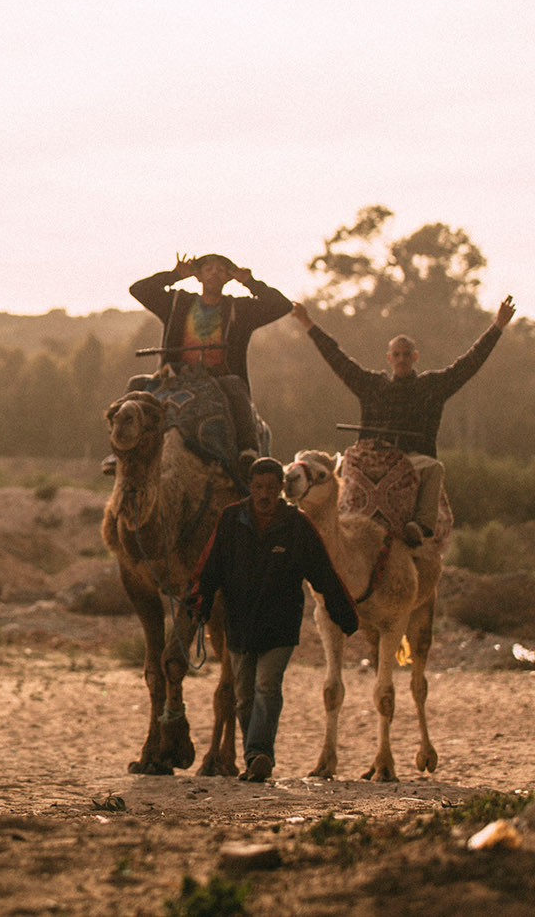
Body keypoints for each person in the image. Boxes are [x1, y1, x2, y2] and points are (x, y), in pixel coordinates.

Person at [290, 296, 516, 547]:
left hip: (411, 461)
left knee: (434, 468)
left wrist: (498, 326)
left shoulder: (431, 387)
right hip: (372, 460)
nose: (401, 359)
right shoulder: (371, 386)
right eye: (396, 354)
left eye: (406, 354)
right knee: (341, 471)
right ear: (389, 358)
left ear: (415, 357)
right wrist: (307, 323)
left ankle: (420, 526)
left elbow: (468, 364)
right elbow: (337, 358)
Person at [187, 457, 359, 783]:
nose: (264, 494)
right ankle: (255, 755)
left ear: (280, 488)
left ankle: (258, 755)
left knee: (267, 686)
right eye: (258, 487)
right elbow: (209, 568)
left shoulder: (297, 525)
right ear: (251, 488)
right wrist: (199, 603)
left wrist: (345, 614)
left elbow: (323, 572)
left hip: (280, 624)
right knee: (243, 697)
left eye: (270, 487)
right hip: (239, 624)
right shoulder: (231, 519)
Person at [129, 254, 291, 464]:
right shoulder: (177, 303)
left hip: (219, 377)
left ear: (228, 278)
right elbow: (138, 290)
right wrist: (174, 275)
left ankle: (248, 450)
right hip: (176, 375)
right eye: (208, 269)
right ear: (198, 276)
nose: (214, 273)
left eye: (221, 270)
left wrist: (250, 282)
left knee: (236, 387)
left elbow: (282, 305)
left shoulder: (241, 310)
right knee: (136, 384)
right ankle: (124, 447)